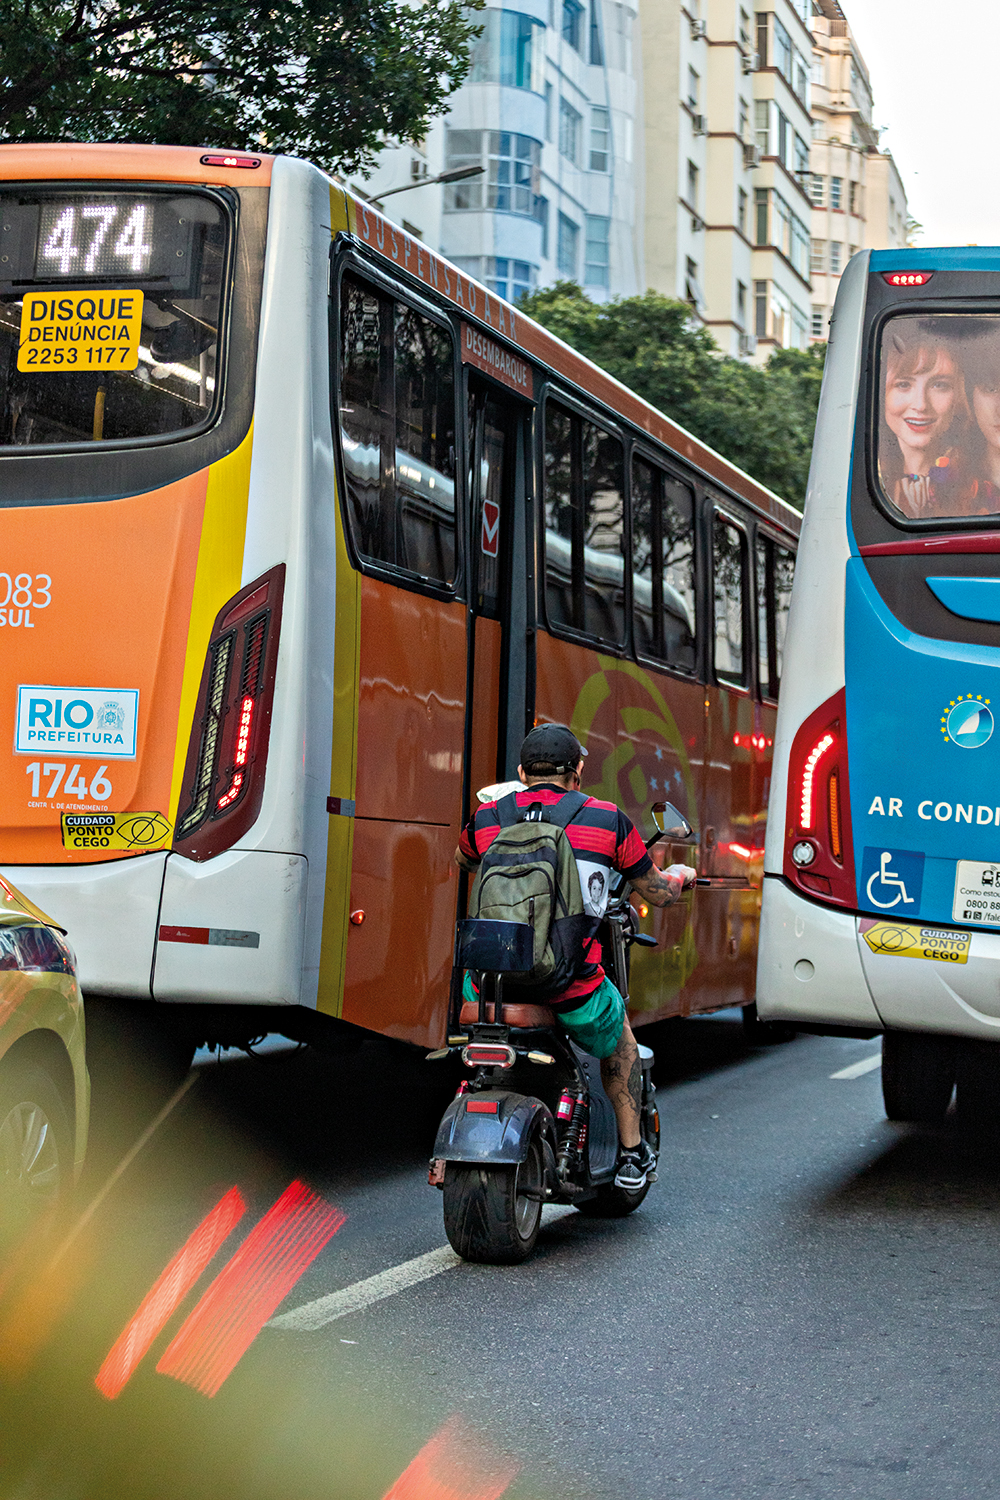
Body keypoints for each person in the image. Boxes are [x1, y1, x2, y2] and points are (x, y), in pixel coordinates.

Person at [455, 723, 697, 1190]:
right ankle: (630, 1153)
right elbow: (659, 893)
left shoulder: (488, 817)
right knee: (620, 1041)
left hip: (487, 985)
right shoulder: (607, 820)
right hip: (570, 986)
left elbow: (465, 860)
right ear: (578, 773)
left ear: (522, 771)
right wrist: (681, 876)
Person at [879, 323, 976, 519]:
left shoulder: (978, 490)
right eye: (903, 384)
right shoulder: (861, 482)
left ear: (958, 396)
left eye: (939, 385)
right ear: (881, 395)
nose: (921, 405)